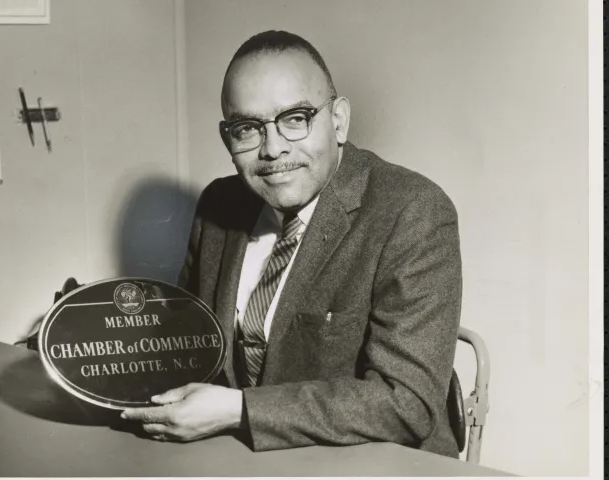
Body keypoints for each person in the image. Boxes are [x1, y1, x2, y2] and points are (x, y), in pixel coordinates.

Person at [121, 30, 462, 458]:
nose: (274, 149)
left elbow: (406, 404)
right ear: (228, 137)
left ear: (338, 120)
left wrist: (239, 410)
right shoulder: (219, 203)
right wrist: (92, 338)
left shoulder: (413, 210)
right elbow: (187, 343)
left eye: (296, 118)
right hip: (235, 457)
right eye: (248, 128)